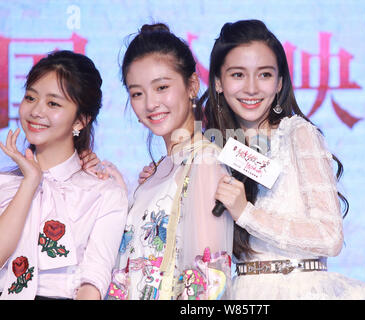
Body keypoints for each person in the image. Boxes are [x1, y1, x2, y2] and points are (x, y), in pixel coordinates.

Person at [197, 19, 365, 299]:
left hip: (301, 288)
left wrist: (247, 214)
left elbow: (330, 237)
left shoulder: (298, 134)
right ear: (218, 82)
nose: (251, 88)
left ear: (279, 83)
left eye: (264, 75)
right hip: (241, 293)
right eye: (238, 75)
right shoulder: (213, 147)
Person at [105, 23, 233, 300]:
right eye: (137, 93)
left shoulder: (204, 163)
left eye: (161, 87)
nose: (150, 103)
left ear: (192, 86)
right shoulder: (157, 171)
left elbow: (208, 280)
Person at [0, 50, 128, 300]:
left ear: (80, 121)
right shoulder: (4, 183)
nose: (36, 111)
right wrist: (30, 183)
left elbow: (94, 281)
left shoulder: (104, 193)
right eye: (30, 97)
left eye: (53, 103)